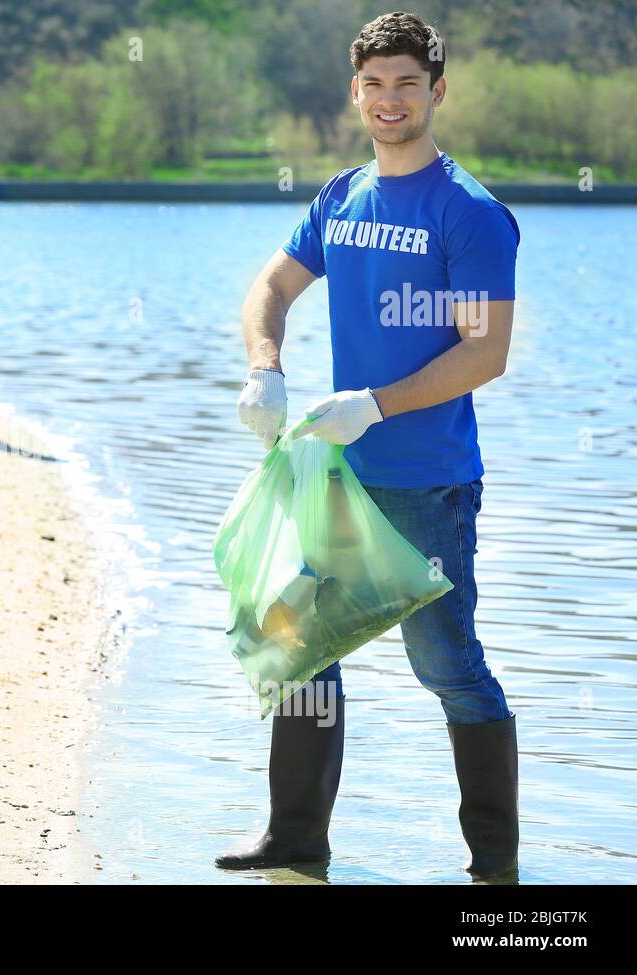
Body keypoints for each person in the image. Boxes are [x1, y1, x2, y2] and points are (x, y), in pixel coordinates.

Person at [222, 11, 520, 881]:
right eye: (375, 85)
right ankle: (295, 842)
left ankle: (494, 868)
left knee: (447, 667)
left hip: (427, 487)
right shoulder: (343, 196)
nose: (390, 100)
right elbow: (271, 286)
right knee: (301, 645)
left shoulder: (469, 213)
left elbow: (485, 352)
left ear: (437, 91)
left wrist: (377, 406)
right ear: (355, 92)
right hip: (339, 479)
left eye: (407, 84)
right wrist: (264, 368)